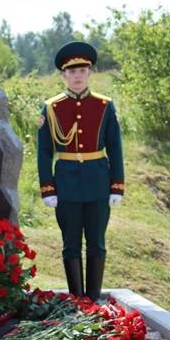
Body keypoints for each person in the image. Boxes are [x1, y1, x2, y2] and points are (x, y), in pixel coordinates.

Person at [37, 41, 124, 302]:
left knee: (96, 242)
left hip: (98, 182)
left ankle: (93, 299)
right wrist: (48, 188)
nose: (77, 76)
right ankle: (77, 301)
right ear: (63, 75)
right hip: (66, 184)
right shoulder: (51, 108)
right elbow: (44, 151)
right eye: (72, 71)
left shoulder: (104, 105)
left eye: (82, 71)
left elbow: (115, 148)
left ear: (90, 73)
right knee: (71, 244)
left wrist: (117, 185)